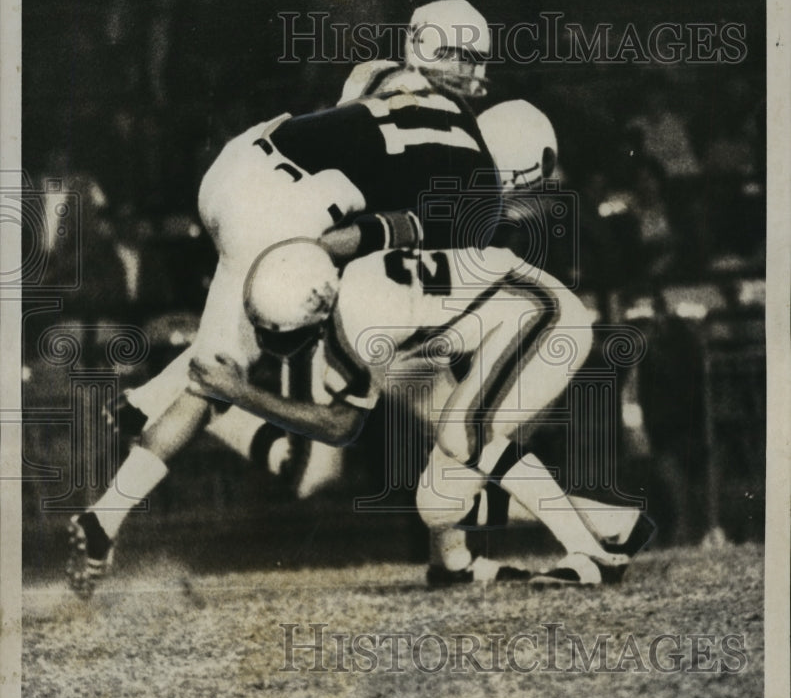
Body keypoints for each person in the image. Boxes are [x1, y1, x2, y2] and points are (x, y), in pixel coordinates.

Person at [66, 0, 501, 597]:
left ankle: (108, 507)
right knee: (250, 393)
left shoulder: (377, 74)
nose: (473, 72)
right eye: (469, 58)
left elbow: (355, 142)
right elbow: (362, 236)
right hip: (287, 216)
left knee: (233, 356)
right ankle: (164, 400)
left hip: (236, 166)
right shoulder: (477, 177)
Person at [189, 235, 651, 587]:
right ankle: (603, 528)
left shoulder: (354, 323)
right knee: (437, 502)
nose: (279, 342)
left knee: (462, 432)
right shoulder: (353, 286)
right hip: (517, 317)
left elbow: (340, 425)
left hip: (544, 317)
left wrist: (238, 393)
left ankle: (590, 556)